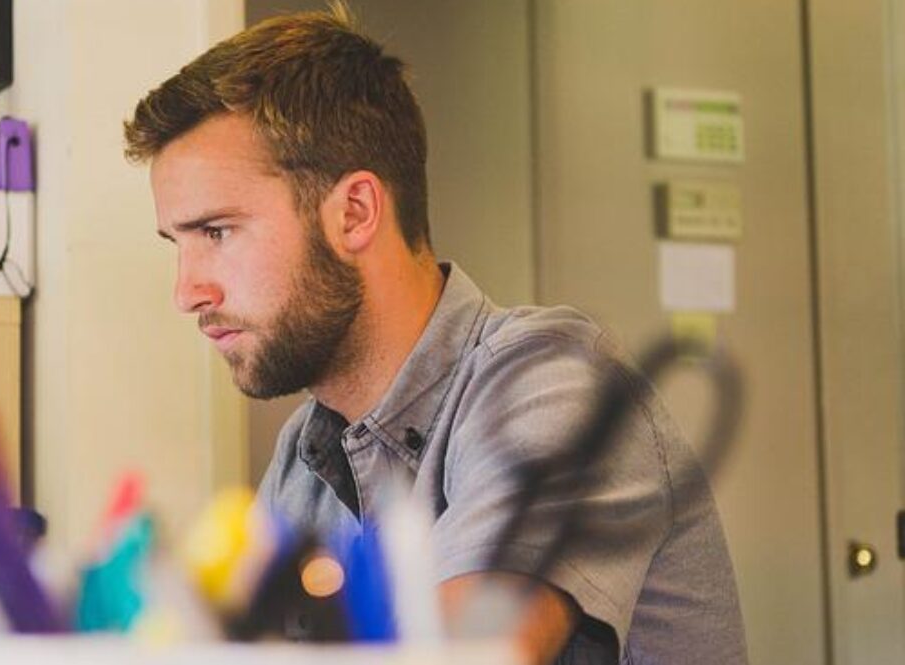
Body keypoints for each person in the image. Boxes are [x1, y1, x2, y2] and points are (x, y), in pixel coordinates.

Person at [124, 6, 747, 664]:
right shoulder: (303, 458)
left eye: (216, 233)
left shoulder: (556, 381)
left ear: (355, 212)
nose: (187, 290)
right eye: (178, 243)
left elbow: (465, 653)